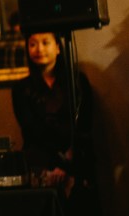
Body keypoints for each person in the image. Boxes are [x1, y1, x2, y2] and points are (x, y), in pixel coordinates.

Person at [11, 30, 94, 195]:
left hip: (76, 160)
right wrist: (54, 165)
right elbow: (30, 130)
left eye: (45, 42)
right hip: (40, 162)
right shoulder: (21, 88)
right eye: (32, 44)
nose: (39, 49)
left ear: (57, 47)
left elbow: (85, 124)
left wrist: (67, 165)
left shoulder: (77, 81)